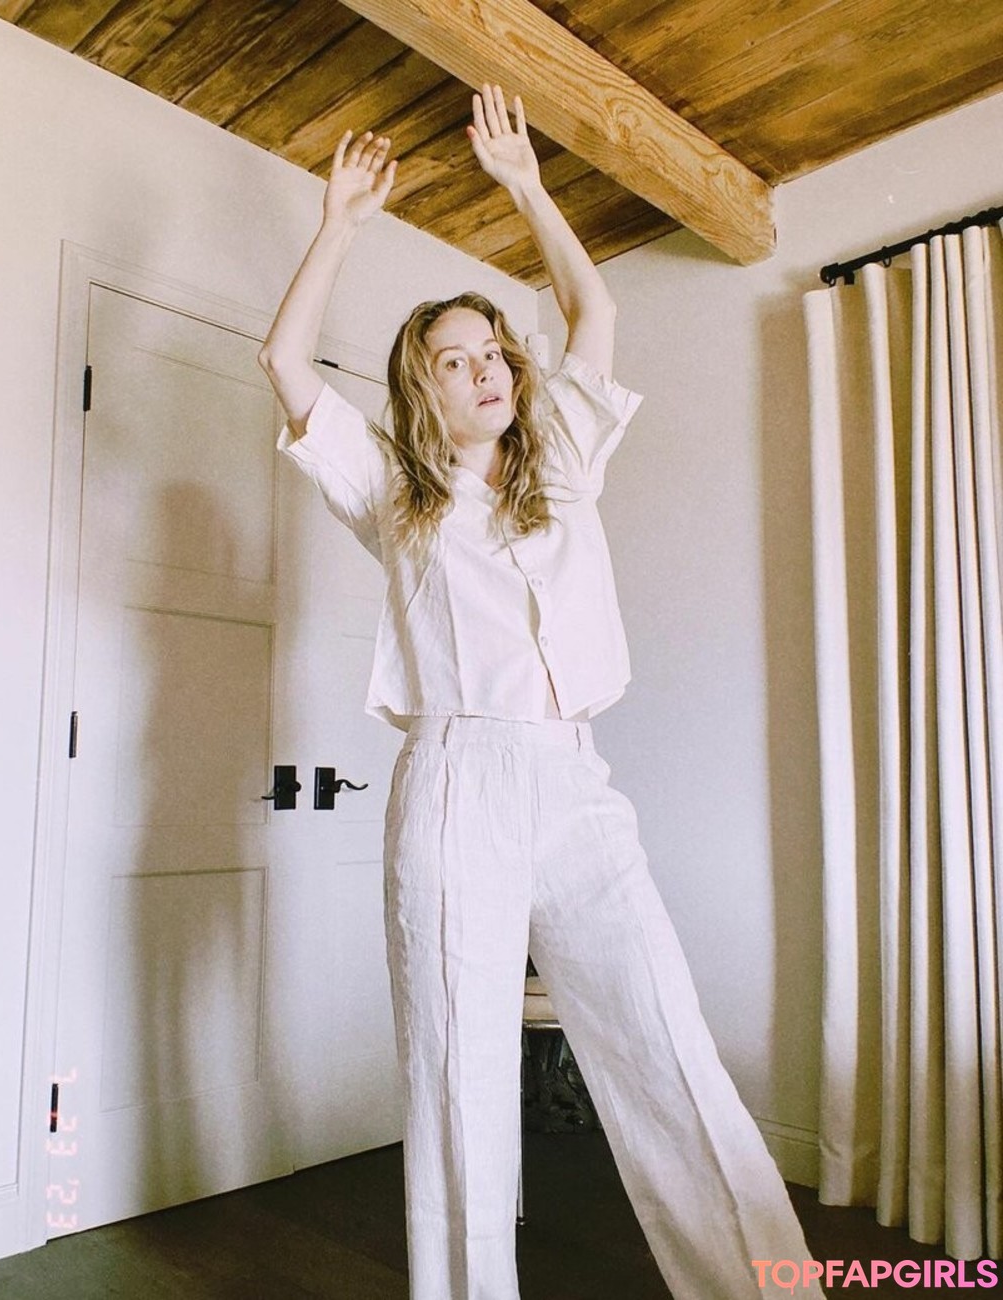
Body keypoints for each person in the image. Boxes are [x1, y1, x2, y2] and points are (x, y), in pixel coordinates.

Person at [259, 83, 825, 1300]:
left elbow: (593, 308)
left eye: (492, 351)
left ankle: (766, 1289)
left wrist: (525, 185)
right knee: (456, 1073)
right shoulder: (390, 493)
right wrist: (339, 224)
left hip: (574, 776)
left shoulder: (562, 454)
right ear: (425, 390)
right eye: (454, 361)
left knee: (667, 1042)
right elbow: (285, 363)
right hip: (454, 780)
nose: (484, 370)